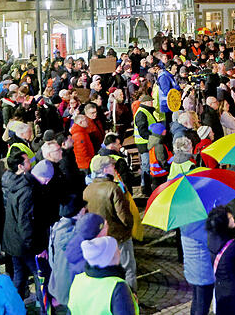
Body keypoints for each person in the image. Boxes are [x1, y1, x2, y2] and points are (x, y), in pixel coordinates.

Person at [84, 154, 138, 291]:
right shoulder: (113, 188)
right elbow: (124, 216)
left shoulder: (87, 190)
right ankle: (131, 297)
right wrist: (129, 227)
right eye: (112, 166)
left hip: (100, 237)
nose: (114, 168)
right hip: (119, 236)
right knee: (128, 268)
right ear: (105, 169)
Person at [1, 150, 42, 299]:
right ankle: (44, 306)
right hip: (23, 242)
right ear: (20, 166)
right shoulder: (26, 190)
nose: (30, 162)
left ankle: (16, 304)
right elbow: (25, 220)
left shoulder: (11, 182)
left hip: (12, 238)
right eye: (27, 161)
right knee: (38, 274)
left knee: (20, 274)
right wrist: (31, 245)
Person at [68, 236, 139, 315]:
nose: (119, 251)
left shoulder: (78, 279)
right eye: (116, 250)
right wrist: (129, 303)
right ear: (111, 257)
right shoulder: (118, 286)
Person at [180, 216, 214, 315]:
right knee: (202, 306)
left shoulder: (184, 220)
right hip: (203, 270)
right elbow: (212, 243)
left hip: (192, 268)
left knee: (196, 301)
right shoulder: (201, 222)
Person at [133, 95, 158, 195]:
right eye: (151, 101)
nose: (152, 103)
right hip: (144, 144)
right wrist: (152, 138)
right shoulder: (141, 113)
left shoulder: (146, 111)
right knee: (146, 165)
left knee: (147, 165)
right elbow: (142, 130)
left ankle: (147, 186)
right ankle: (145, 188)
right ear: (146, 102)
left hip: (147, 142)